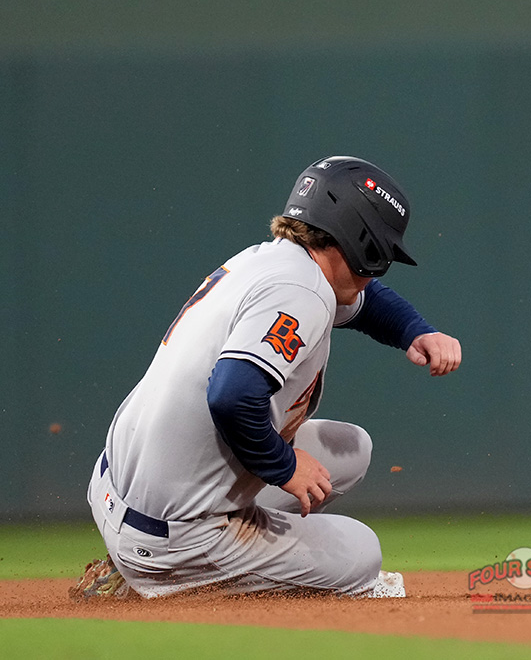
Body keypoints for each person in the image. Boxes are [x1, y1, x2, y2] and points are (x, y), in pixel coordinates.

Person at [73, 155, 462, 599]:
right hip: (168, 537)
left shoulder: (271, 260)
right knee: (361, 557)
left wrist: (416, 330)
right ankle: (183, 576)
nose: (378, 268)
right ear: (360, 241)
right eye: (381, 251)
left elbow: (364, 303)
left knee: (350, 450)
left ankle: (148, 560)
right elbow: (232, 395)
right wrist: (286, 466)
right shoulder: (301, 290)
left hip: (117, 491)